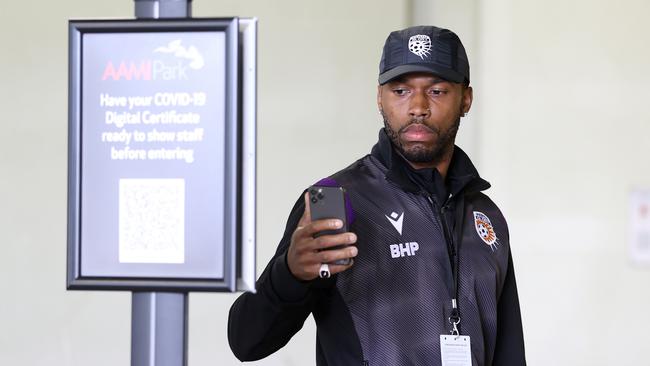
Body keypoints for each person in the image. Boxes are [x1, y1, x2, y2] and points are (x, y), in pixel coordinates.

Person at [228, 25, 526, 366]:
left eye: (438, 91)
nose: (417, 106)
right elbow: (246, 342)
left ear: (466, 99)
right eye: (400, 90)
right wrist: (290, 274)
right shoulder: (334, 201)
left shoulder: (485, 215)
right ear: (379, 97)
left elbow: (509, 352)